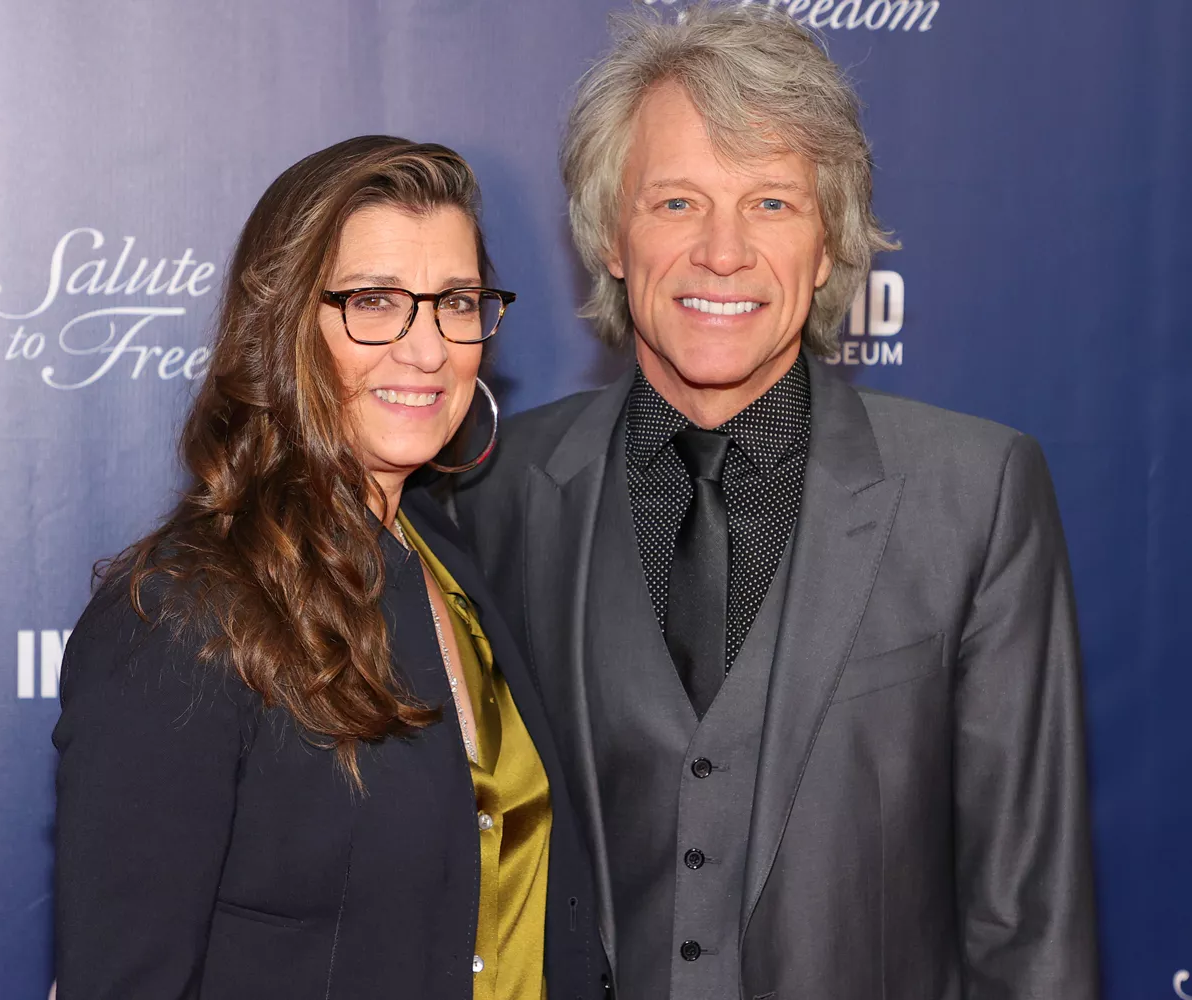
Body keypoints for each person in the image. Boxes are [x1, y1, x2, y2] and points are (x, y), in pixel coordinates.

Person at [455, 7, 1100, 1000]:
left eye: (771, 203)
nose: (723, 251)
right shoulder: (495, 493)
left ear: (829, 243)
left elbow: (1030, 923)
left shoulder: (975, 496)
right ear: (610, 237)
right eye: (675, 203)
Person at [52, 136, 602, 1000]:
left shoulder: (450, 564)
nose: (426, 350)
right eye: (375, 302)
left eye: (455, 301)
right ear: (283, 325)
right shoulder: (181, 618)